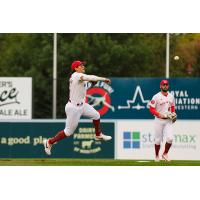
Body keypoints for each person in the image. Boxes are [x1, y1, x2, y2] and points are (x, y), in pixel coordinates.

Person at [43, 60, 112, 155]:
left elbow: (85, 86)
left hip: (82, 105)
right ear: (76, 68)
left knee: (96, 115)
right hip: (73, 108)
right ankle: (49, 142)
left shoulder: (80, 78)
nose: (83, 66)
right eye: (81, 65)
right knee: (68, 132)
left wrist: (92, 84)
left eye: (83, 65)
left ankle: (98, 134)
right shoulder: (76, 75)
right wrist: (103, 79)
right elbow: (90, 77)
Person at [148, 79, 177, 162]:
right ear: (160, 86)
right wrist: (158, 114)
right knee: (157, 140)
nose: (165, 86)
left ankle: (165, 154)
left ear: (168, 86)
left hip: (168, 120)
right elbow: (151, 109)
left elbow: (172, 107)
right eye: (163, 84)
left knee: (170, 138)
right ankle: (157, 155)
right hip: (158, 120)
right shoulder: (156, 96)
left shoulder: (171, 96)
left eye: (166, 84)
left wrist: (174, 115)